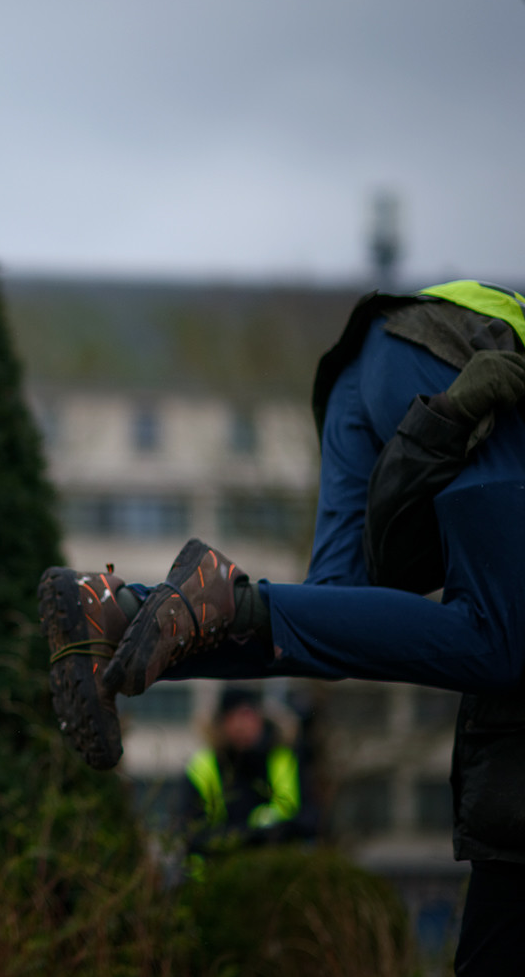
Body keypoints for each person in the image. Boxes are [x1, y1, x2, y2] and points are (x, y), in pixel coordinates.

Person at [41, 281, 525, 974]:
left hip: (367, 368)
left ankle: (112, 615)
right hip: (451, 353)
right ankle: (224, 597)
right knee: (500, 641)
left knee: (328, 615)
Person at [180, 687, 312, 859]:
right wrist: (245, 835)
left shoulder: (284, 760)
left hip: (277, 869)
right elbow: (191, 833)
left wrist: (269, 832)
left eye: (247, 715)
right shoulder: (203, 767)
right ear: (221, 723)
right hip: (217, 875)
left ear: (260, 719)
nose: (242, 725)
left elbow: (309, 819)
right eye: (233, 717)